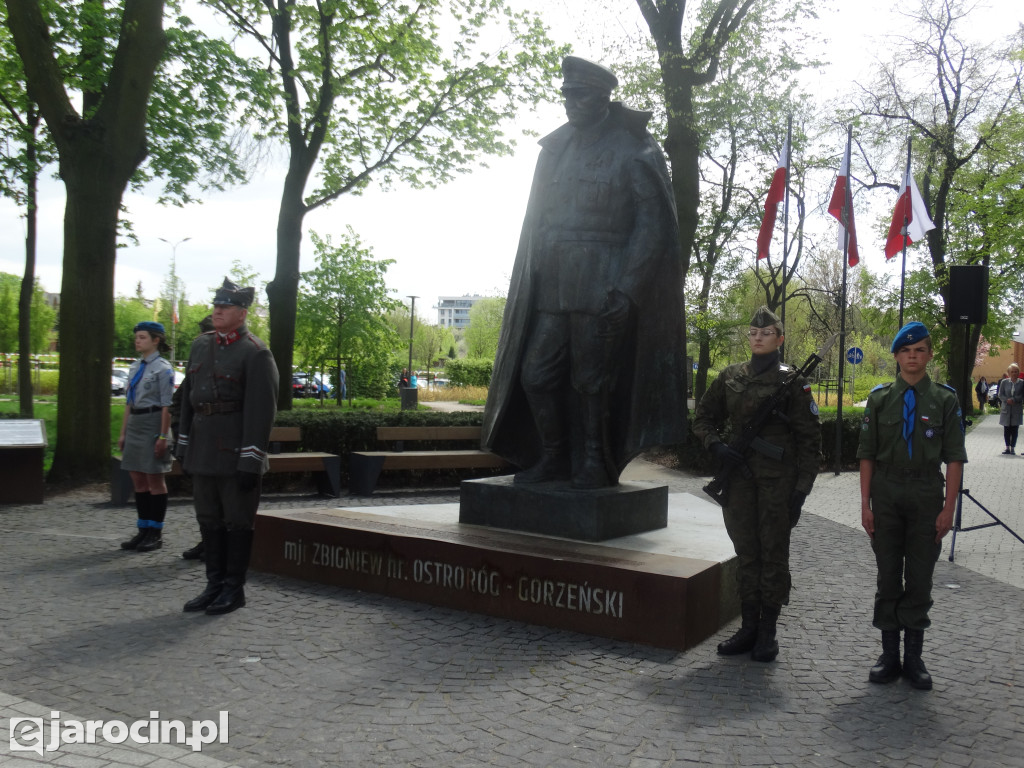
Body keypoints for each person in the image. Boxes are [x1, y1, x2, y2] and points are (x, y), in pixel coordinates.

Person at [482, 55, 687, 488]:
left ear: (603, 97)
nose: (570, 103)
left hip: (603, 281)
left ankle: (595, 461)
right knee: (536, 374)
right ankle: (555, 457)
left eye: (580, 94)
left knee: (591, 380)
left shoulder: (635, 149)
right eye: (567, 95)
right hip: (554, 284)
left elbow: (653, 228)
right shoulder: (556, 150)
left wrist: (628, 288)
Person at [692, 306, 821, 662]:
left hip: (778, 486)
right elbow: (703, 418)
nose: (758, 337)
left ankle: (768, 632)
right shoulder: (730, 376)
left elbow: (810, 442)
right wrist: (717, 446)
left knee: (773, 556)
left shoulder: (794, 383)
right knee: (747, 553)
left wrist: (800, 492)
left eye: (766, 333)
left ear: (780, 338)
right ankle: (748, 627)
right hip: (739, 482)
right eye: (753, 333)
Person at [857, 321, 966, 690]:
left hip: (925, 494)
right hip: (885, 494)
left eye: (920, 350)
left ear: (930, 355)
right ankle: (889, 655)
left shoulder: (945, 400)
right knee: (888, 575)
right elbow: (867, 456)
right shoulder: (880, 398)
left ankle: (914, 657)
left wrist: (948, 508)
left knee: (919, 578)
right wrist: (865, 504)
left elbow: (954, 459)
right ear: (896, 356)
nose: (913, 356)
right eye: (906, 351)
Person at [176, 279, 279, 615]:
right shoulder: (200, 345)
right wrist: (183, 442)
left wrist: (251, 460)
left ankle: (233, 589)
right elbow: (189, 399)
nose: (217, 310)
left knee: (237, 521)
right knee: (208, 519)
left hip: (236, 453)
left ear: (242, 313)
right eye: (216, 305)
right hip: (203, 449)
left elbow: (261, 412)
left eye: (225, 307)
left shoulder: (254, 352)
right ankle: (213, 585)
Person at [118, 321, 176, 552]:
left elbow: (166, 406)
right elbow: (128, 404)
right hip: (135, 423)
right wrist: (123, 432)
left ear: (156, 340)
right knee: (137, 478)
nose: (137, 340)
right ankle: (142, 530)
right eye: (137, 337)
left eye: (142, 337)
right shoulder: (134, 367)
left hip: (154, 423)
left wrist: (163, 436)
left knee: (154, 479)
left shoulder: (163, 369)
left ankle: (155, 532)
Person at [170, 314, 215, 562]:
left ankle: (217, 546)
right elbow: (178, 404)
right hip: (197, 444)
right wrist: (180, 435)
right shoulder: (195, 372)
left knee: (221, 502)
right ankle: (207, 541)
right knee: (203, 500)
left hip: (220, 446)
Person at [997, 363, 1023, 454]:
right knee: (1007, 429)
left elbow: (1022, 395)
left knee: (1015, 429)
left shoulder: (1022, 383)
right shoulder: (1004, 382)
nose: (1014, 373)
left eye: (1016, 372)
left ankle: (1013, 448)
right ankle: (1007, 447)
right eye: (1012, 372)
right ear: (1009, 373)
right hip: (1006, 409)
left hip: (1016, 409)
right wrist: (1006, 400)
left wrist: (1014, 399)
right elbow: (1000, 394)